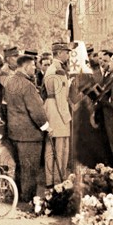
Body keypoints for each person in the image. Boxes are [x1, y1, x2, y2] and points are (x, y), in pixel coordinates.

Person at [4, 55, 51, 203]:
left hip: (14, 133)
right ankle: (28, 200)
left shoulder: (10, 82)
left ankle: (17, 195)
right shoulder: (27, 85)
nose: (35, 68)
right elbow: (36, 110)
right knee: (30, 169)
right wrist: (46, 127)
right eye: (32, 66)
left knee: (20, 167)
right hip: (30, 134)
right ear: (25, 67)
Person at [43, 42, 72, 186]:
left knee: (51, 148)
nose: (68, 54)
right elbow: (61, 98)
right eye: (66, 52)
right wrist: (67, 117)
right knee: (60, 149)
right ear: (59, 52)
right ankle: (58, 180)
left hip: (50, 107)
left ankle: (50, 179)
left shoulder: (51, 68)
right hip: (57, 111)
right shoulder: (58, 70)